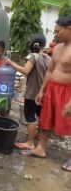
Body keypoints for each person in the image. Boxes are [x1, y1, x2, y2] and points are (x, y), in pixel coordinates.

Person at [21, 16, 71, 173]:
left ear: (69, 28)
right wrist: (42, 90)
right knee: (45, 120)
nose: (55, 34)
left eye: (58, 31)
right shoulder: (56, 48)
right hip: (52, 89)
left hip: (68, 91)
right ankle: (40, 148)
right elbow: (50, 71)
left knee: (69, 122)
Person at [5, 33, 51, 150]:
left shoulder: (33, 56)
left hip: (32, 93)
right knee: (41, 116)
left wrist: (11, 63)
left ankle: (30, 143)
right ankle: (39, 138)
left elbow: (26, 70)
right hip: (44, 93)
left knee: (30, 118)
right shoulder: (49, 58)